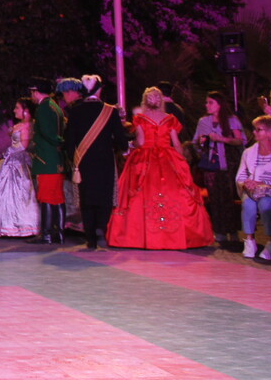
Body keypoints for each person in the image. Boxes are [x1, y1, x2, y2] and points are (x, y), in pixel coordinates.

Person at [106, 86, 212, 250]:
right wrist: (181, 161)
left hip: (145, 159)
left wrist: (132, 145)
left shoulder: (140, 118)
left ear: (145, 101)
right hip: (168, 158)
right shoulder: (169, 119)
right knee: (176, 192)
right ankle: (174, 236)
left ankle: (141, 237)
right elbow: (176, 143)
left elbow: (141, 142)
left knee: (139, 193)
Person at [61, 77, 128, 250]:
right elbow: (121, 139)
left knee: (86, 200)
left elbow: (69, 140)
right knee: (104, 197)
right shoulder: (110, 111)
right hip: (105, 161)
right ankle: (101, 228)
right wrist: (123, 148)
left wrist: (72, 160)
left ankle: (90, 238)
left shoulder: (75, 111)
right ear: (98, 90)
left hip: (83, 161)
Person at [190, 90, 245, 244]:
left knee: (228, 197)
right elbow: (196, 142)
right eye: (207, 102)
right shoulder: (203, 121)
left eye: (210, 102)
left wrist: (221, 139)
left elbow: (239, 140)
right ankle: (219, 230)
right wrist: (201, 142)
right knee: (214, 198)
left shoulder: (231, 120)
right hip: (211, 163)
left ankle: (232, 230)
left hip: (228, 162)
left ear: (219, 104)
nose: (207, 105)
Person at [0, 98, 40, 238]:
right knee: (5, 191)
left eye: (17, 108)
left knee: (20, 191)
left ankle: (21, 225)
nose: (14, 110)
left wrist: (9, 152)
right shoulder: (22, 125)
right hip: (13, 160)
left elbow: (23, 147)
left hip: (19, 162)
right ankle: (6, 224)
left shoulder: (27, 126)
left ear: (26, 110)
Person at [235, 116, 271, 261]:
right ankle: (249, 240)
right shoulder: (248, 152)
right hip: (252, 191)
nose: (254, 132)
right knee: (248, 203)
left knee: (266, 204)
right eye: (254, 129)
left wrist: (263, 183)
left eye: (259, 130)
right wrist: (246, 184)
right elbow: (241, 175)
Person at [27, 78, 66, 244]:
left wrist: (60, 143)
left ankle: (47, 234)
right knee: (57, 196)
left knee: (46, 196)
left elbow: (47, 133)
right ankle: (59, 234)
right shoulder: (54, 106)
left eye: (32, 92)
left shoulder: (43, 108)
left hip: (46, 158)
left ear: (36, 92)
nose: (31, 95)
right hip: (55, 158)